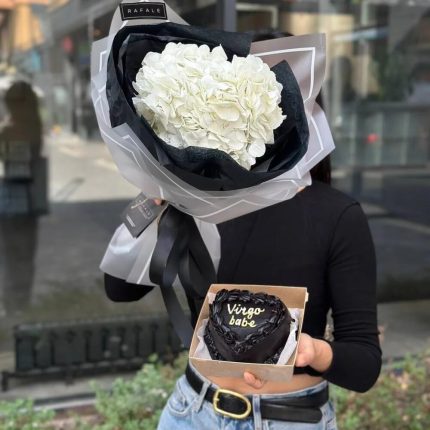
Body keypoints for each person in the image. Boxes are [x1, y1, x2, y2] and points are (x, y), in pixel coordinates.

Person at [104, 34, 381, 429]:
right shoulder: (196, 200)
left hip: (290, 418)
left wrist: (312, 351)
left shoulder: (337, 215)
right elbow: (120, 289)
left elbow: (364, 364)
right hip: (193, 412)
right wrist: (158, 191)